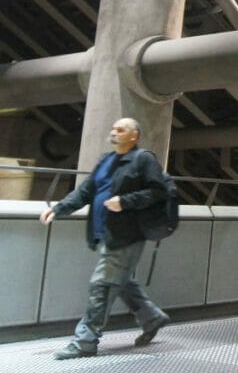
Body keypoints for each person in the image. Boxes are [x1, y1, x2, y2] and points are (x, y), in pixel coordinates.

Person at [39, 118, 170, 360]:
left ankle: (85, 341)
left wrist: (125, 201)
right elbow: (86, 192)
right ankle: (151, 318)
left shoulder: (143, 159)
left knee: (102, 284)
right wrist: (58, 208)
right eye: (113, 128)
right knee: (120, 282)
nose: (114, 132)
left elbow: (157, 192)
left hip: (128, 235)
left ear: (134, 136)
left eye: (120, 130)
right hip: (105, 234)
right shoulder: (106, 160)